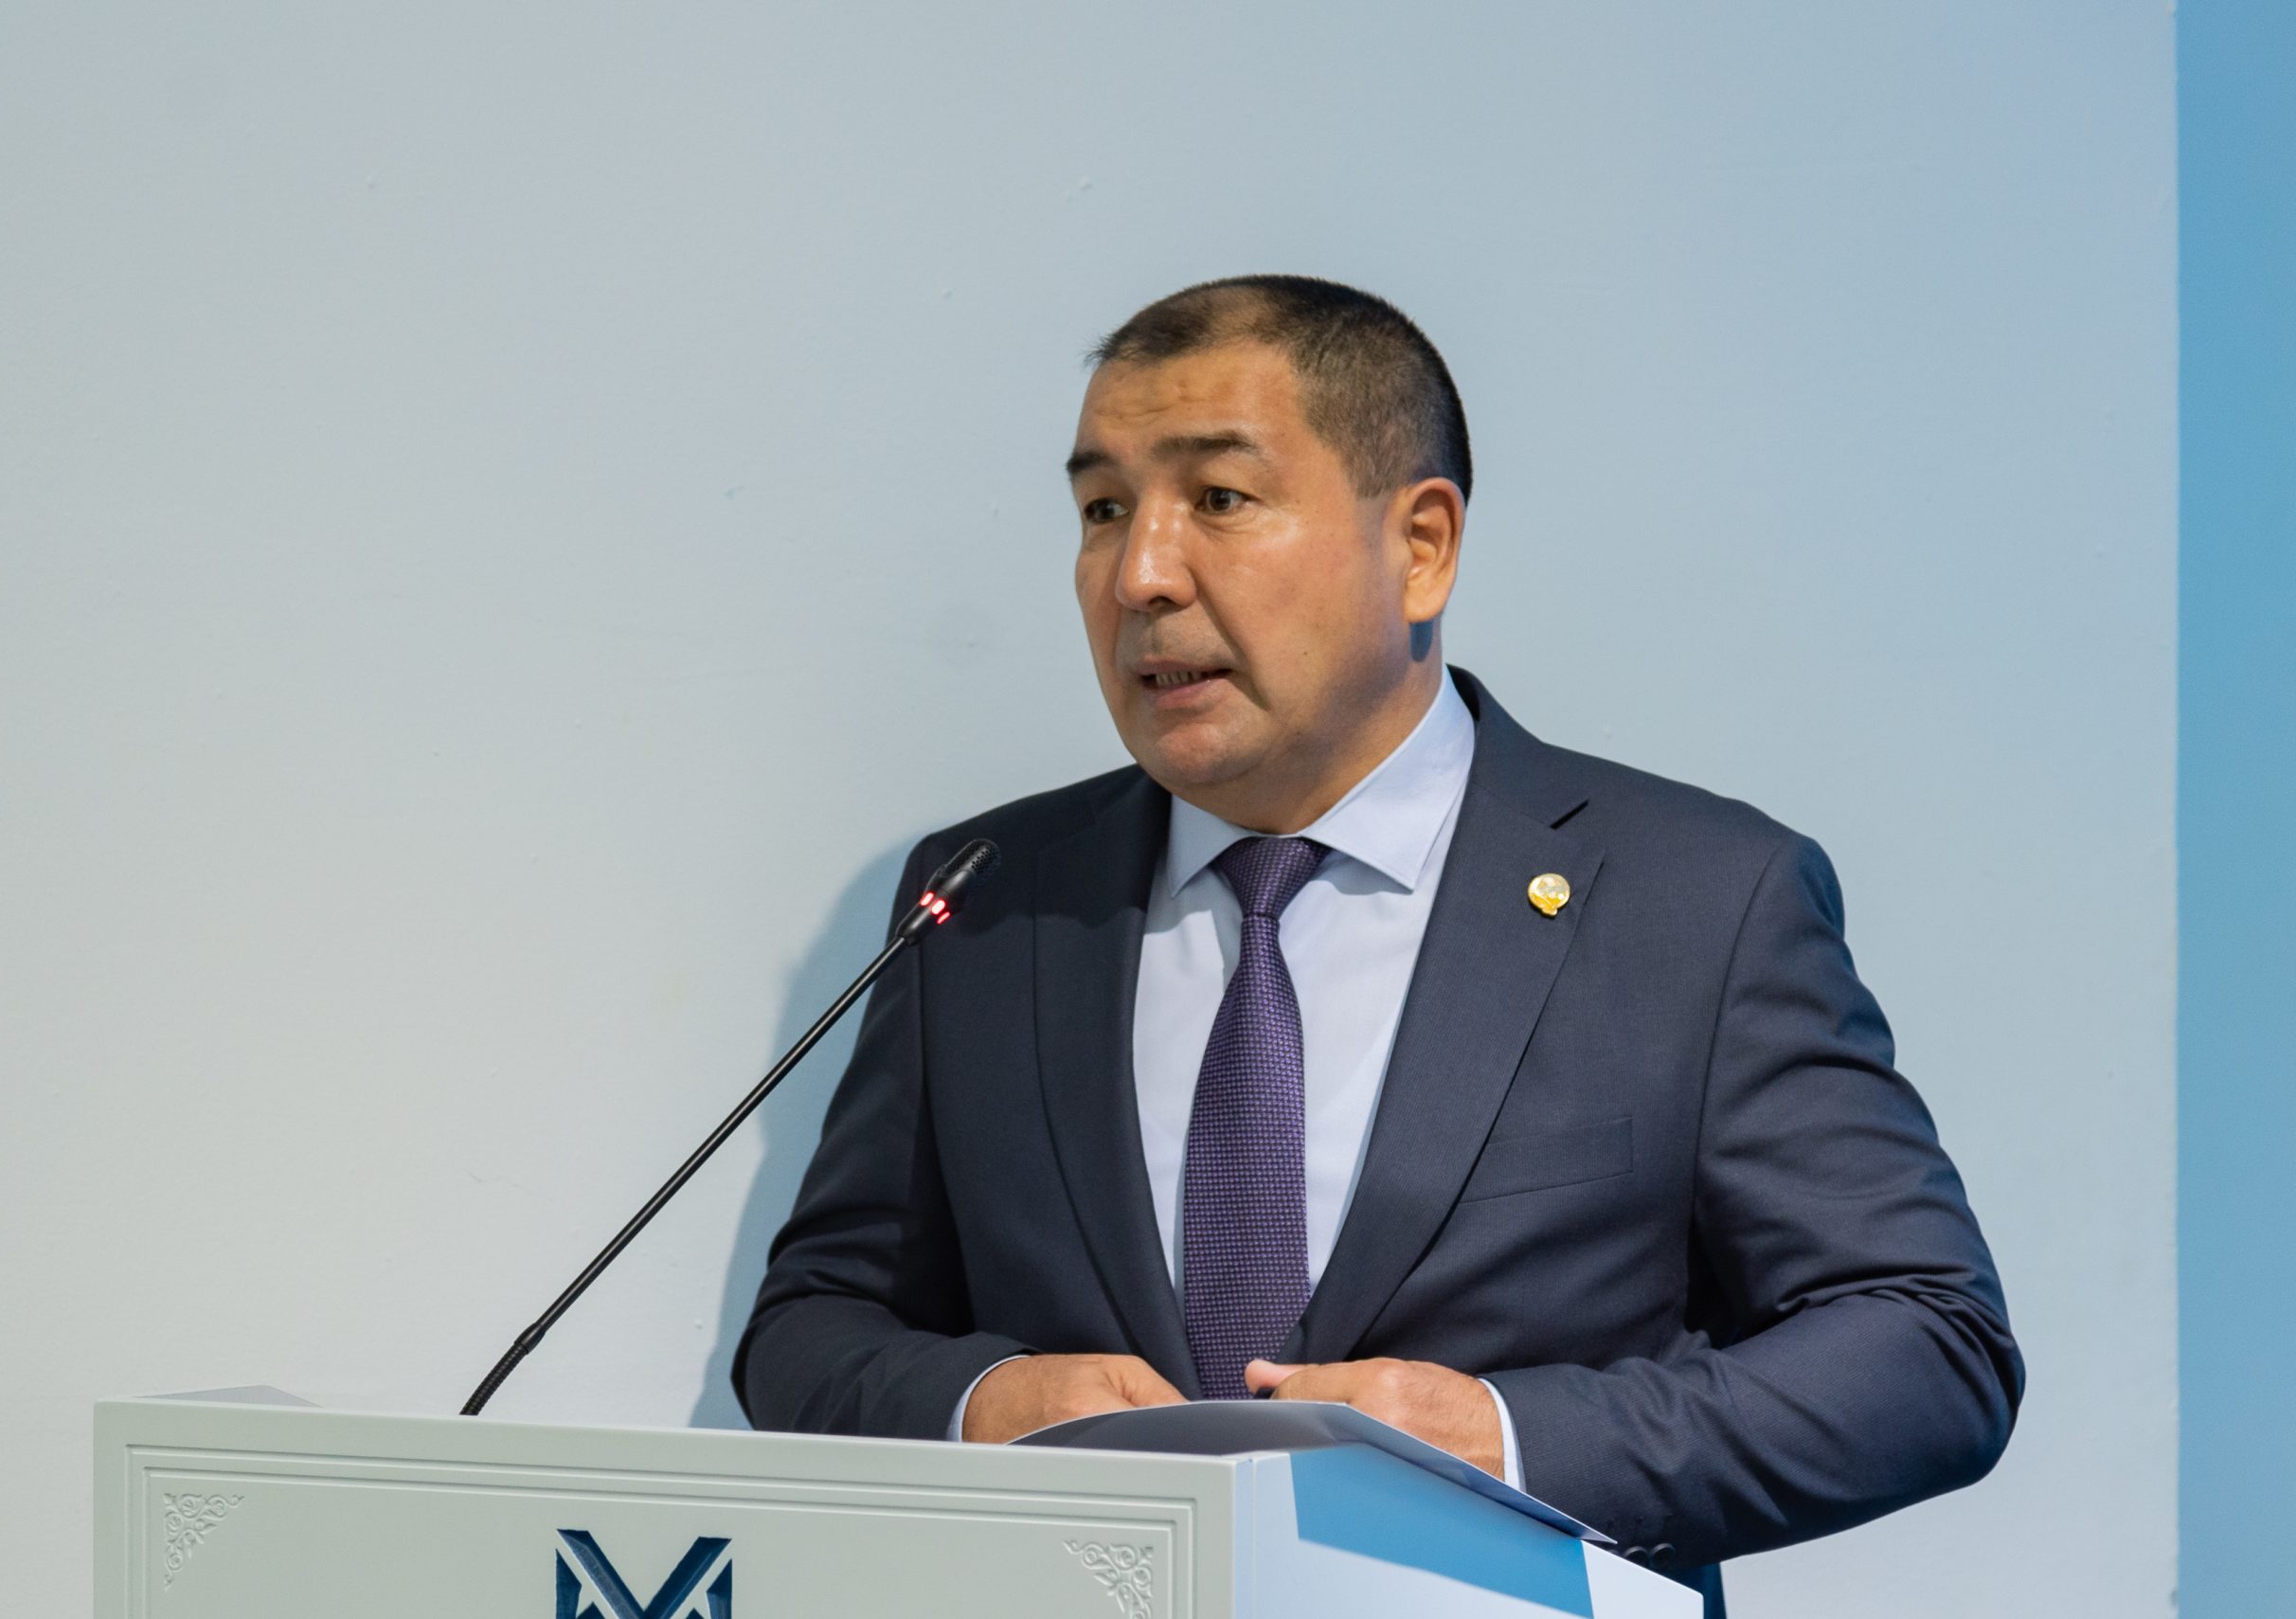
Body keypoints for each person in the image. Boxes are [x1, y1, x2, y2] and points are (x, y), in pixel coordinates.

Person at [733, 275, 2022, 1610]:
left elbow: (1929, 1347)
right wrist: (983, 1403)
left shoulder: (1696, 901)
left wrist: (1506, 1440)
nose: (1140, 574)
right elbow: (814, 1325)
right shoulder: (990, 899)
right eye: (1103, 509)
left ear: (1422, 545)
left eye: (1218, 499)